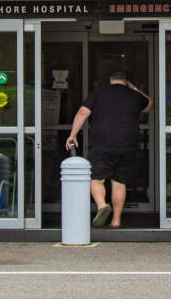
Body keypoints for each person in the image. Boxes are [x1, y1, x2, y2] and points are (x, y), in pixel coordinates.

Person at [65, 69, 152, 228]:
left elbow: (83, 112)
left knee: (96, 179)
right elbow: (149, 105)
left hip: (102, 143)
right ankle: (116, 221)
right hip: (128, 143)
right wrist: (133, 88)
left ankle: (102, 205)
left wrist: (73, 134)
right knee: (119, 182)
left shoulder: (98, 92)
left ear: (110, 79)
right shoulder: (134, 95)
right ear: (125, 81)